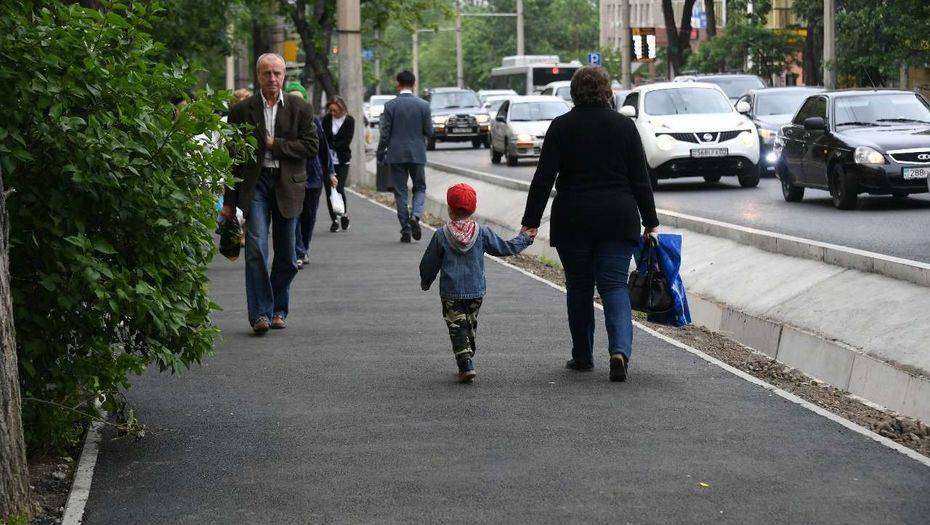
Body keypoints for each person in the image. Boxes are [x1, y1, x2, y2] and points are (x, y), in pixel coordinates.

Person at [520, 65, 659, 382]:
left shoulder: (561, 127)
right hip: (617, 217)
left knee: (579, 287)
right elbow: (641, 180)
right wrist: (651, 222)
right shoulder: (624, 127)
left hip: (574, 218)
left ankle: (582, 356)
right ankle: (619, 351)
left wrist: (530, 222)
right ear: (608, 91)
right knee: (613, 286)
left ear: (574, 93)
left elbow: (543, 180)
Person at [221, 53, 318, 333]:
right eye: (267, 73)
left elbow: (311, 146)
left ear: (284, 75)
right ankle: (261, 314)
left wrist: (276, 145)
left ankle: (278, 307)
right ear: (257, 76)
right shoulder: (242, 111)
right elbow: (233, 159)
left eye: (277, 73)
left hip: (288, 184)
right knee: (256, 250)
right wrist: (229, 202)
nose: (272, 78)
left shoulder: (300, 107)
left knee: (287, 257)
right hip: (257, 185)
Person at [420, 183, 535, 383]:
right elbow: (505, 248)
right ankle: (468, 355)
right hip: (475, 291)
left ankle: (465, 363)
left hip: (451, 292)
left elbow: (429, 262)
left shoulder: (441, 235)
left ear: (449, 208)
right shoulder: (482, 232)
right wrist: (524, 238)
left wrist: (426, 280)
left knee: (457, 326)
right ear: (473, 210)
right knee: (470, 325)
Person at [285, 82, 337, 269]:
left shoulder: (314, 120)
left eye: (298, 99)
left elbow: (324, 148)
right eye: (291, 98)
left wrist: (330, 172)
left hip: (313, 176)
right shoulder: (282, 120)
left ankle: (303, 248)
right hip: (290, 176)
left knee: (309, 216)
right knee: (294, 215)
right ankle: (298, 251)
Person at [377, 71, 432, 243]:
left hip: (396, 154)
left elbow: (384, 134)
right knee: (420, 187)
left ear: (398, 84)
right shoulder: (424, 105)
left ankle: (405, 230)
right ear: (414, 84)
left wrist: (380, 151)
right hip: (417, 153)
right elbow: (429, 131)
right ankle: (415, 216)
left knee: (400, 191)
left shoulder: (390, 106)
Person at [322, 96, 355, 232]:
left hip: (342, 160)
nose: (333, 113)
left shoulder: (349, 120)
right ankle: (334, 220)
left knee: (339, 189)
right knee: (330, 190)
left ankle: (344, 215)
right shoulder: (326, 119)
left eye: (335, 111)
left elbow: (346, 140)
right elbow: (323, 137)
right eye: (331, 110)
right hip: (327, 160)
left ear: (342, 109)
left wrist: (332, 144)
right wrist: (329, 146)